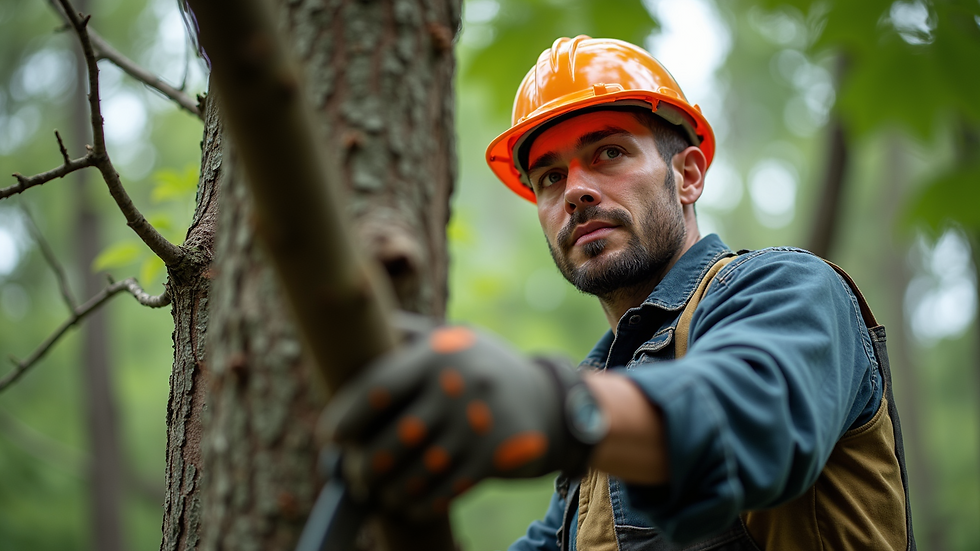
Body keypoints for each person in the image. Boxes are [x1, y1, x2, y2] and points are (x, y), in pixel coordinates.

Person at [322, 36, 915, 550]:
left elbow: (752, 417)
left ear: (687, 176)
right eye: (550, 177)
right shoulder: (605, 394)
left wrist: (554, 407)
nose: (575, 190)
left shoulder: (790, 289)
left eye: (608, 153)